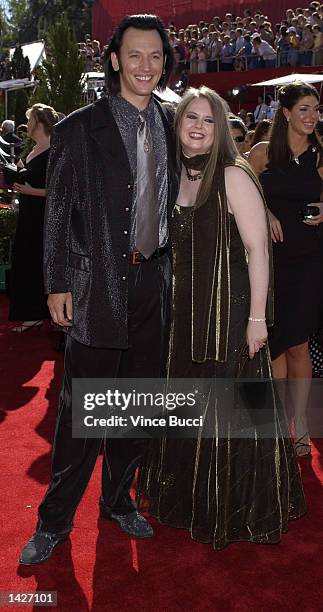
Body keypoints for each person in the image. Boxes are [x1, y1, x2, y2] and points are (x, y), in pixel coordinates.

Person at [19, 14, 178, 565]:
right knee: (81, 414)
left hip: (153, 283)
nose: (145, 66)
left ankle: (118, 500)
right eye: (134, 55)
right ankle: (54, 521)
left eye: (155, 56)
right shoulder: (78, 128)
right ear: (114, 60)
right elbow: (57, 214)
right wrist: (57, 283)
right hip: (94, 289)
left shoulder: (170, 121)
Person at [138, 86, 306, 550]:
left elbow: (258, 251)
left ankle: (246, 507)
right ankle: (192, 500)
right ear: (177, 125)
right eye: (190, 117)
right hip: (184, 314)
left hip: (230, 313)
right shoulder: (173, 176)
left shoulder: (233, 175)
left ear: (221, 130)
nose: (198, 126)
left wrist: (256, 319)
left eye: (209, 120)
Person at [248, 82, 323, 457]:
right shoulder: (262, 153)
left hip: (310, 260)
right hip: (270, 261)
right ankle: (278, 424)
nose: (312, 117)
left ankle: (302, 426)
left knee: (299, 341)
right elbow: (238, 192)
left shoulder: (321, 155)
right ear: (286, 113)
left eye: (316, 109)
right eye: (305, 109)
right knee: (276, 341)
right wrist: (265, 211)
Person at [9, 104, 59, 331]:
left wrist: (30, 190)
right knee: (26, 258)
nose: (26, 125)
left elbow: (59, 190)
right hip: (28, 212)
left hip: (42, 215)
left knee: (36, 260)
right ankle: (31, 312)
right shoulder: (35, 147)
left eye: (29, 121)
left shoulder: (54, 151)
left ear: (39, 123)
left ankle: (36, 313)